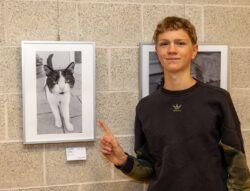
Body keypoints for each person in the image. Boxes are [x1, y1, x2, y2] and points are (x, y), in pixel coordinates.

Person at [99, 16, 250, 191]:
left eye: (180, 43)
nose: (172, 50)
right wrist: (123, 161)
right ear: (157, 51)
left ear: (194, 50)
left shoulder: (218, 100)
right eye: (164, 44)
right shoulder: (145, 107)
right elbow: (148, 170)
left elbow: (237, 165)